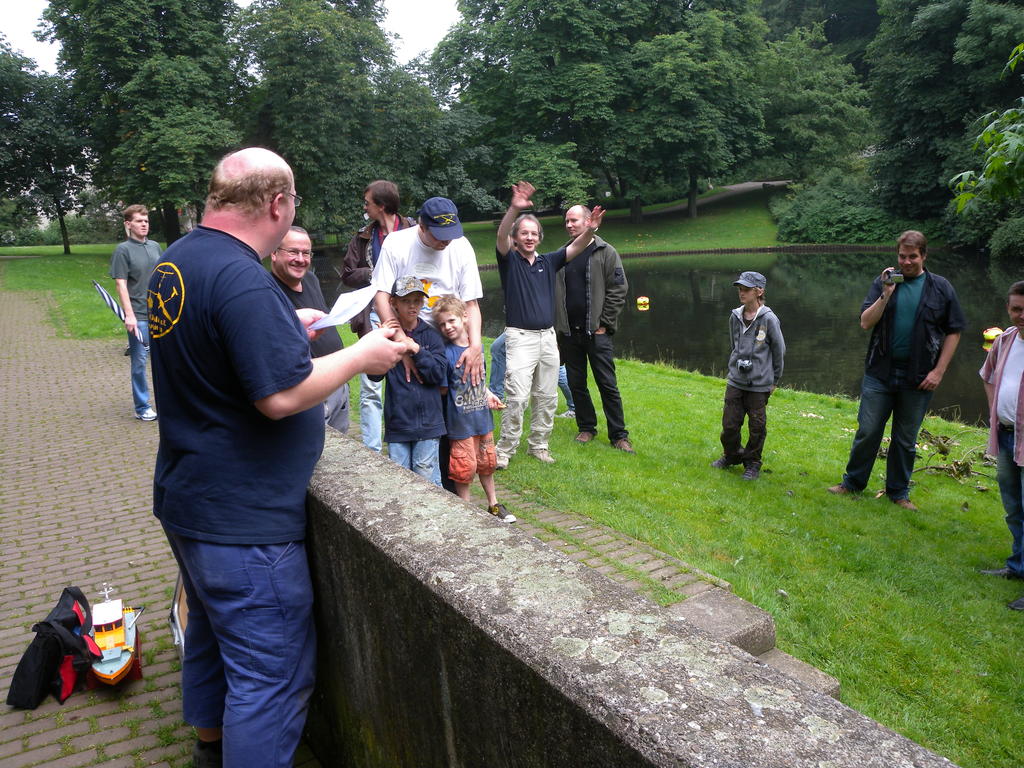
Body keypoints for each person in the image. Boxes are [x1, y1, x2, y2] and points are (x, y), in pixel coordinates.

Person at [147, 147, 405, 768]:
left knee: (210, 636)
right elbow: (279, 396)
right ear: (278, 204)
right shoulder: (241, 277)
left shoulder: (178, 260)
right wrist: (360, 356)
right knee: (271, 675)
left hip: (189, 497)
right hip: (244, 521)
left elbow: (214, 339)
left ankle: (210, 748)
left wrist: (286, 320)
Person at [828, 230, 965, 511]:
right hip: (880, 373)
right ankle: (852, 483)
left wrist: (939, 371)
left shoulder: (941, 288)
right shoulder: (885, 283)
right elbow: (865, 322)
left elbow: (954, 331)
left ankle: (898, 492)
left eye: (912, 257)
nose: (906, 262)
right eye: (902, 256)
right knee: (868, 431)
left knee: (905, 439)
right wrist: (886, 294)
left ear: (924, 256)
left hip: (919, 377)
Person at [370, 196, 484, 492]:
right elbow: (381, 295)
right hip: (412, 335)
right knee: (419, 406)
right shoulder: (397, 244)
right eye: (439, 235)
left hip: (451, 340)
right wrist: (403, 344)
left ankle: (454, 493)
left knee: (456, 418)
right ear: (421, 226)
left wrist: (475, 347)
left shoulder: (460, 246)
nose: (446, 241)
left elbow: (471, 303)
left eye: (451, 234)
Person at [494, 182, 605, 468]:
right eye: (524, 233)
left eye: (534, 233)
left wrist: (591, 229)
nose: (529, 238)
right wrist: (514, 208)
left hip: (547, 338)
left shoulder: (549, 261)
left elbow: (577, 246)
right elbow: (501, 235)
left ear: (539, 238)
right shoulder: (509, 261)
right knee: (517, 397)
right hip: (520, 337)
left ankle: (539, 446)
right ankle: (504, 450)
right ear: (516, 237)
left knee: (546, 396)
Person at [342, 180, 416, 451]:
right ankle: (372, 450)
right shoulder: (363, 237)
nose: (365, 208)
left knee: (407, 378)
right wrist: (376, 273)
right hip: (374, 317)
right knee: (371, 387)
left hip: (410, 314)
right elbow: (348, 274)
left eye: (368, 203)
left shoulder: (413, 231)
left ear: (381, 206)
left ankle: (406, 443)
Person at [555, 204, 633, 453]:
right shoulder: (563, 254)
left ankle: (619, 435)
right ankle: (586, 427)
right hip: (570, 334)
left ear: (588, 221)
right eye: (567, 221)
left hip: (597, 334)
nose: (569, 225)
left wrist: (604, 324)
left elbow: (618, 289)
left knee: (607, 385)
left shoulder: (606, 252)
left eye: (574, 220)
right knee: (577, 384)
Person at [433, 296, 515, 523]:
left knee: (487, 463)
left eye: (451, 321)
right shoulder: (446, 354)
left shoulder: (476, 347)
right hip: (460, 424)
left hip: (482, 419)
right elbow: (443, 389)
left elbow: (479, 380)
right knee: (464, 467)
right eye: (442, 324)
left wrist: (488, 394)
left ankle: (494, 504)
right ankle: (466, 510)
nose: (447, 327)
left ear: (464, 317)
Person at [270, 225, 349, 433]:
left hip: (338, 381)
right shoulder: (267, 291)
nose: (301, 259)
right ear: (274, 253)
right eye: (293, 252)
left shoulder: (311, 279)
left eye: (306, 253)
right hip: (310, 389)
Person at [710, 271, 786, 481]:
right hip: (736, 381)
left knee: (757, 427)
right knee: (729, 426)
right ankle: (732, 455)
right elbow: (734, 345)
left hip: (759, 384)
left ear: (759, 291)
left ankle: (752, 463)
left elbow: (779, 351)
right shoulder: (735, 316)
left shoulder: (769, 319)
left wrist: (775, 380)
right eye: (740, 289)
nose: (741, 293)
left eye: (746, 289)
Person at [375, 276, 448, 486]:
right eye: (406, 301)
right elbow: (374, 375)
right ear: (393, 303)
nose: (412, 306)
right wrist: (380, 343)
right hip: (398, 423)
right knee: (400, 482)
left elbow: (437, 374)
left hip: (429, 423)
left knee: (426, 479)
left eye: (417, 300)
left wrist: (416, 349)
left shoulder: (431, 336)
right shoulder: (386, 336)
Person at [978, 281, 1024, 608]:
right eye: (1016, 309)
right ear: (1008, 308)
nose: (1021, 315)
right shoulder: (1005, 340)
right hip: (1007, 436)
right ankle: (1018, 566)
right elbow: (988, 375)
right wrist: (996, 412)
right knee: (1014, 507)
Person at [110, 204, 161, 421]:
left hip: (160, 316)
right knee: (139, 363)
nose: (144, 224)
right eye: (139, 221)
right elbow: (121, 284)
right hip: (138, 316)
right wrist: (129, 315)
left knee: (163, 362)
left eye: (146, 221)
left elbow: (163, 276)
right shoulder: (123, 250)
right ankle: (142, 407)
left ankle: (167, 401)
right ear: (128, 224)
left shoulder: (155, 246)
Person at [489, 332, 575, 416]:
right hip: (527, 327)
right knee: (499, 348)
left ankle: (575, 406)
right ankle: (497, 397)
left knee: (553, 365)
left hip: (534, 328)